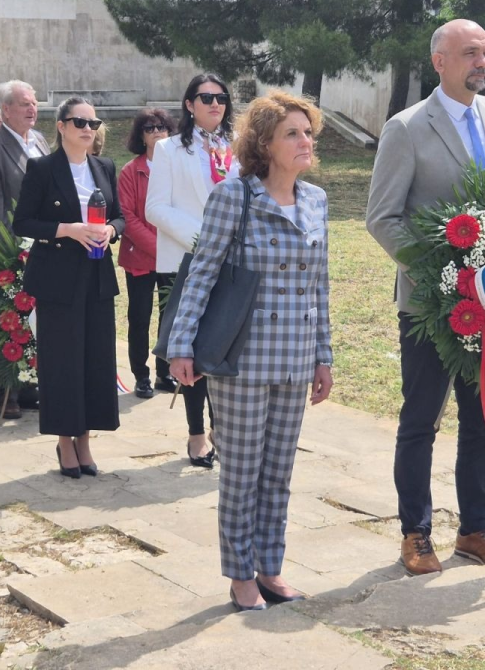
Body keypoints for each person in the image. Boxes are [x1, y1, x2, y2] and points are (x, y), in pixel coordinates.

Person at [366, 19, 485, 576]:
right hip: (430, 306)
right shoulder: (407, 128)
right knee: (421, 421)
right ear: (439, 61)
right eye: (468, 54)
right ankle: (416, 534)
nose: (480, 63)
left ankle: (475, 531)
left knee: (483, 417)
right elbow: (381, 217)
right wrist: (440, 276)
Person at [167, 90, 333, 612]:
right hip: (242, 358)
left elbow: (320, 285)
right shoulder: (233, 196)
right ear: (264, 143)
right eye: (292, 133)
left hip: (295, 355)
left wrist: (324, 356)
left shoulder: (316, 200)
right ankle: (240, 575)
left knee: (278, 474)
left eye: (308, 132)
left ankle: (271, 568)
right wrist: (181, 345)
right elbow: (203, 273)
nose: (305, 141)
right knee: (240, 473)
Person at [13, 97, 124, 477]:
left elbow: (121, 217)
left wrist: (110, 230)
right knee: (62, 361)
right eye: (79, 122)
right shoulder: (43, 168)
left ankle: (86, 440)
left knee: (95, 358)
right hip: (58, 275)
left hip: (96, 275)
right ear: (61, 126)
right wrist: (69, 230)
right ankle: (64, 440)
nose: (88, 129)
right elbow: (23, 222)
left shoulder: (105, 167)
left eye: (93, 122)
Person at [147, 72, 239, 468]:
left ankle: (223, 426)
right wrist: (205, 239)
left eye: (220, 98)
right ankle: (196, 432)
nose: (214, 104)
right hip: (188, 258)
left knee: (226, 344)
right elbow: (156, 208)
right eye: (205, 98)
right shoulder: (169, 149)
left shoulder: (238, 146)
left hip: (234, 263)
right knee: (190, 350)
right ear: (189, 104)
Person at [0, 80, 47, 418]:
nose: (32, 109)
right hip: (8, 250)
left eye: (34, 103)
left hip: (45, 245)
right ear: (5, 110)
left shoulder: (41, 141)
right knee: (9, 320)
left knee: (35, 321)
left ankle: (30, 384)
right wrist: (15, 250)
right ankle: (4, 389)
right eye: (24, 104)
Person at [117, 108, 177, 399]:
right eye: (150, 128)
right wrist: (157, 247)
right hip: (140, 257)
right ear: (140, 135)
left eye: (162, 127)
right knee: (139, 318)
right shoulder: (130, 171)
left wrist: (170, 246)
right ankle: (141, 375)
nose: (157, 132)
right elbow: (126, 217)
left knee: (170, 316)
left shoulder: (178, 167)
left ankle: (164, 372)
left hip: (173, 256)